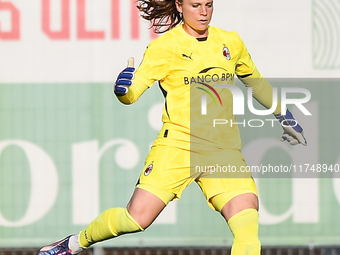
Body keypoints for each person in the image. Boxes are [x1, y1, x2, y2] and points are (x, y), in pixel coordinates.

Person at [37, 0, 307, 255]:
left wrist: (284, 115)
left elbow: (256, 83)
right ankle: (74, 243)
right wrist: (122, 89)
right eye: (195, 5)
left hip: (223, 150)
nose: (203, 12)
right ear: (179, 5)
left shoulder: (230, 42)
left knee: (247, 227)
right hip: (178, 145)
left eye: (208, 5)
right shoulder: (164, 47)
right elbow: (132, 94)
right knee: (136, 219)